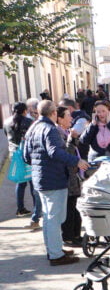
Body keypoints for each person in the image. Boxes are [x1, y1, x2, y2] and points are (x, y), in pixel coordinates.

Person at [22, 100, 89, 265]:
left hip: (41, 179)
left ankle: (54, 249)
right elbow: (55, 152)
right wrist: (76, 161)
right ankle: (56, 254)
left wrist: (39, 166)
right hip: (54, 180)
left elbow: (25, 155)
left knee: (48, 217)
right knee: (54, 218)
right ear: (53, 114)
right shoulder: (50, 129)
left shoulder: (34, 127)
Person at [4, 102, 41, 225]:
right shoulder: (28, 122)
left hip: (14, 155)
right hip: (27, 154)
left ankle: (20, 208)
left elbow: (6, 135)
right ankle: (37, 209)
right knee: (32, 182)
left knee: (20, 182)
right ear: (25, 111)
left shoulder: (6, 122)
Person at [55, 106, 84, 247]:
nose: (71, 118)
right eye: (68, 115)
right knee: (69, 208)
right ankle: (69, 237)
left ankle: (75, 235)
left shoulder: (65, 131)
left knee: (74, 207)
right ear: (59, 118)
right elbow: (66, 154)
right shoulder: (58, 133)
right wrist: (71, 140)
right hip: (66, 177)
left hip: (73, 176)